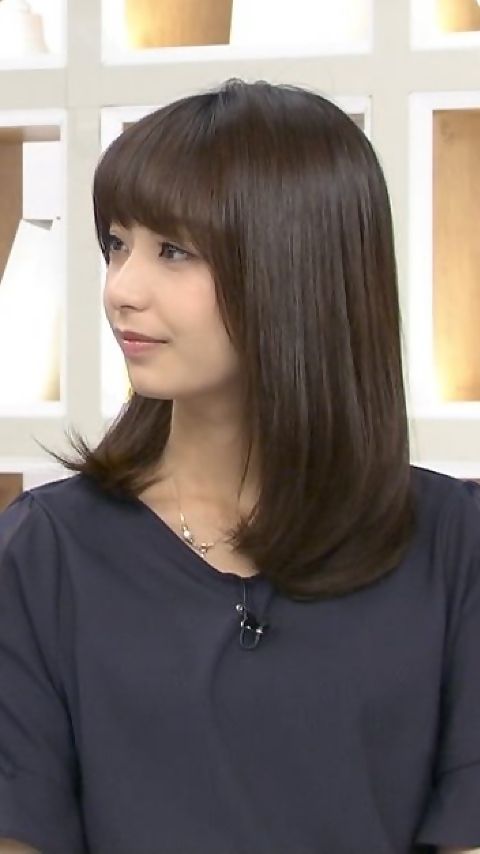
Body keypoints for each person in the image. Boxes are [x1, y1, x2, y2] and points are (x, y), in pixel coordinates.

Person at [0, 79, 479, 854]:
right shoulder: (44, 552)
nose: (121, 289)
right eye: (117, 244)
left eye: (174, 251)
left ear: (299, 269)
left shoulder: (454, 545)